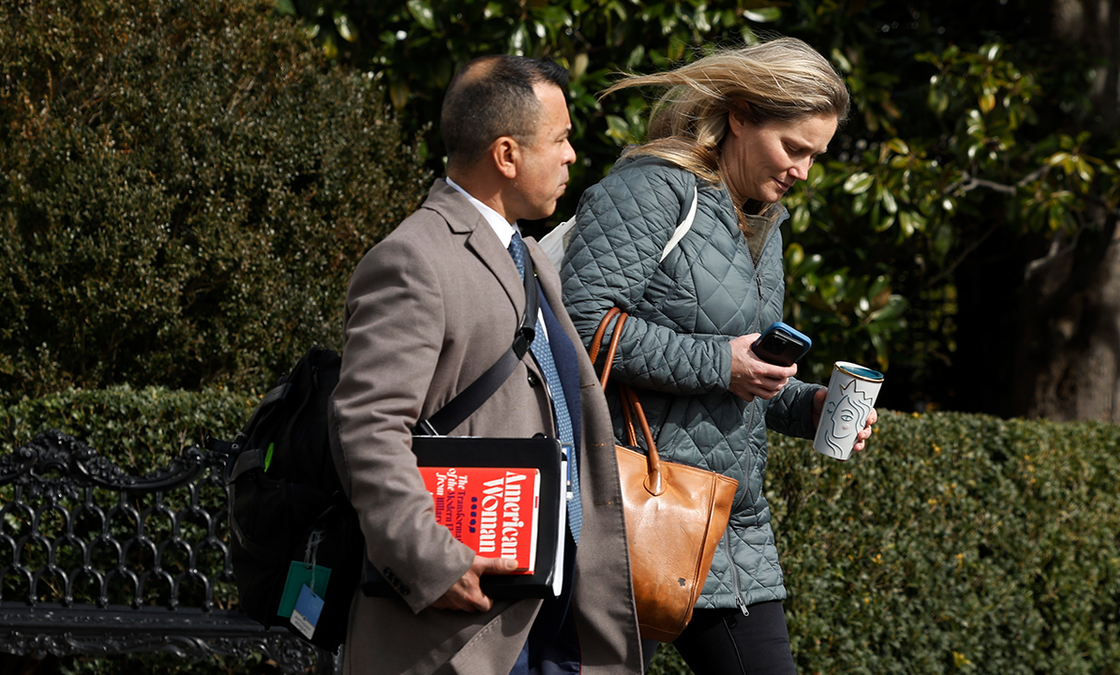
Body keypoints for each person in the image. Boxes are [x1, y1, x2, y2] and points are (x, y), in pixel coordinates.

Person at [559, 38, 878, 675]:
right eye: (794, 148)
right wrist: (720, 364)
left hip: (731, 526)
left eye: (815, 156)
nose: (803, 171)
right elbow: (581, 325)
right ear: (739, 116)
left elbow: (741, 369)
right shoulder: (649, 189)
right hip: (634, 511)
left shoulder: (764, 221)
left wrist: (809, 406)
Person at [328, 55, 642, 675]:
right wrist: (430, 560)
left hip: (549, 611)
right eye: (560, 139)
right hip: (464, 628)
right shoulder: (413, 259)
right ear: (506, 155)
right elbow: (367, 427)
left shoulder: (528, 255)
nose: (572, 155)